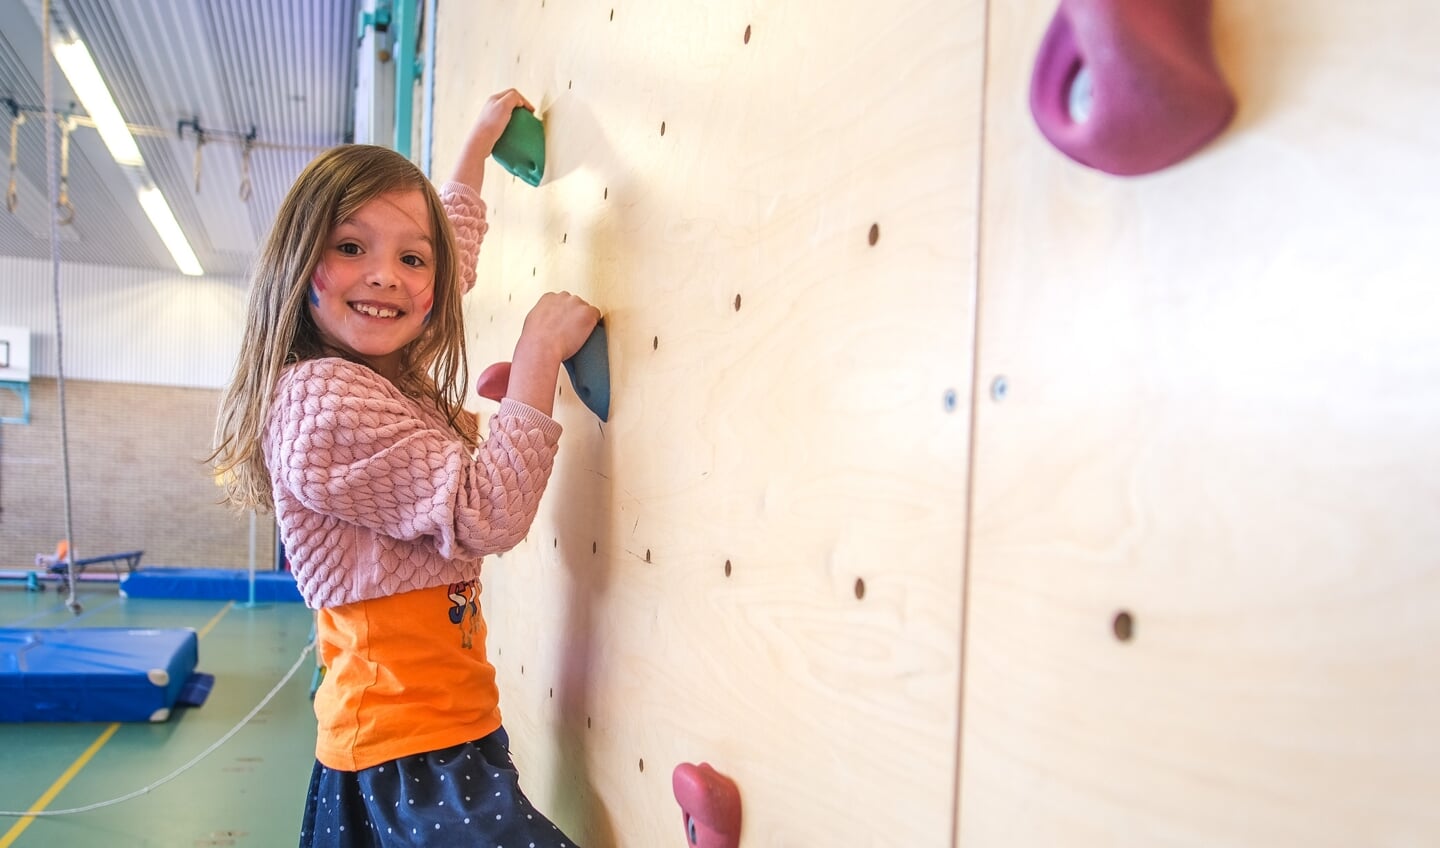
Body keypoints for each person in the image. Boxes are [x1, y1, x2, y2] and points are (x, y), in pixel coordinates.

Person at [210, 88, 597, 847]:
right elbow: (489, 511)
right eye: (351, 247)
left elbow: (441, 258)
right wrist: (535, 359)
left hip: (436, 728)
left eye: (407, 257)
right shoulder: (323, 400)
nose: (387, 275)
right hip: (406, 750)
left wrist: (474, 149)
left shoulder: (372, 353)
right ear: (300, 262)